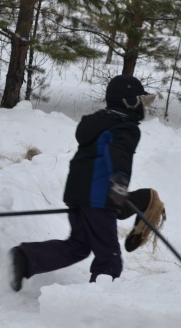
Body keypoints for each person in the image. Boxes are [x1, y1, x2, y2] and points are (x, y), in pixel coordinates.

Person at [9, 74, 156, 291]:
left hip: (78, 193)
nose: (144, 106)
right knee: (109, 256)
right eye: (141, 100)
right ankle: (99, 302)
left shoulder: (99, 124)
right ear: (129, 101)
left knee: (78, 246)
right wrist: (119, 187)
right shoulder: (124, 127)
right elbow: (119, 156)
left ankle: (27, 258)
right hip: (98, 197)